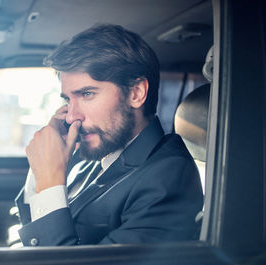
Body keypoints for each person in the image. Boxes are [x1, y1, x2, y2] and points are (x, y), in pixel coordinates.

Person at [15, 24, 203, 246]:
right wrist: (41, 171)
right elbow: (33, 235)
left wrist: (50, 182)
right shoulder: (94, 156)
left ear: (136, 93)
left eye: (87, 94)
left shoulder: (169, 176)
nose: (71, 116)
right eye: (67, 99)